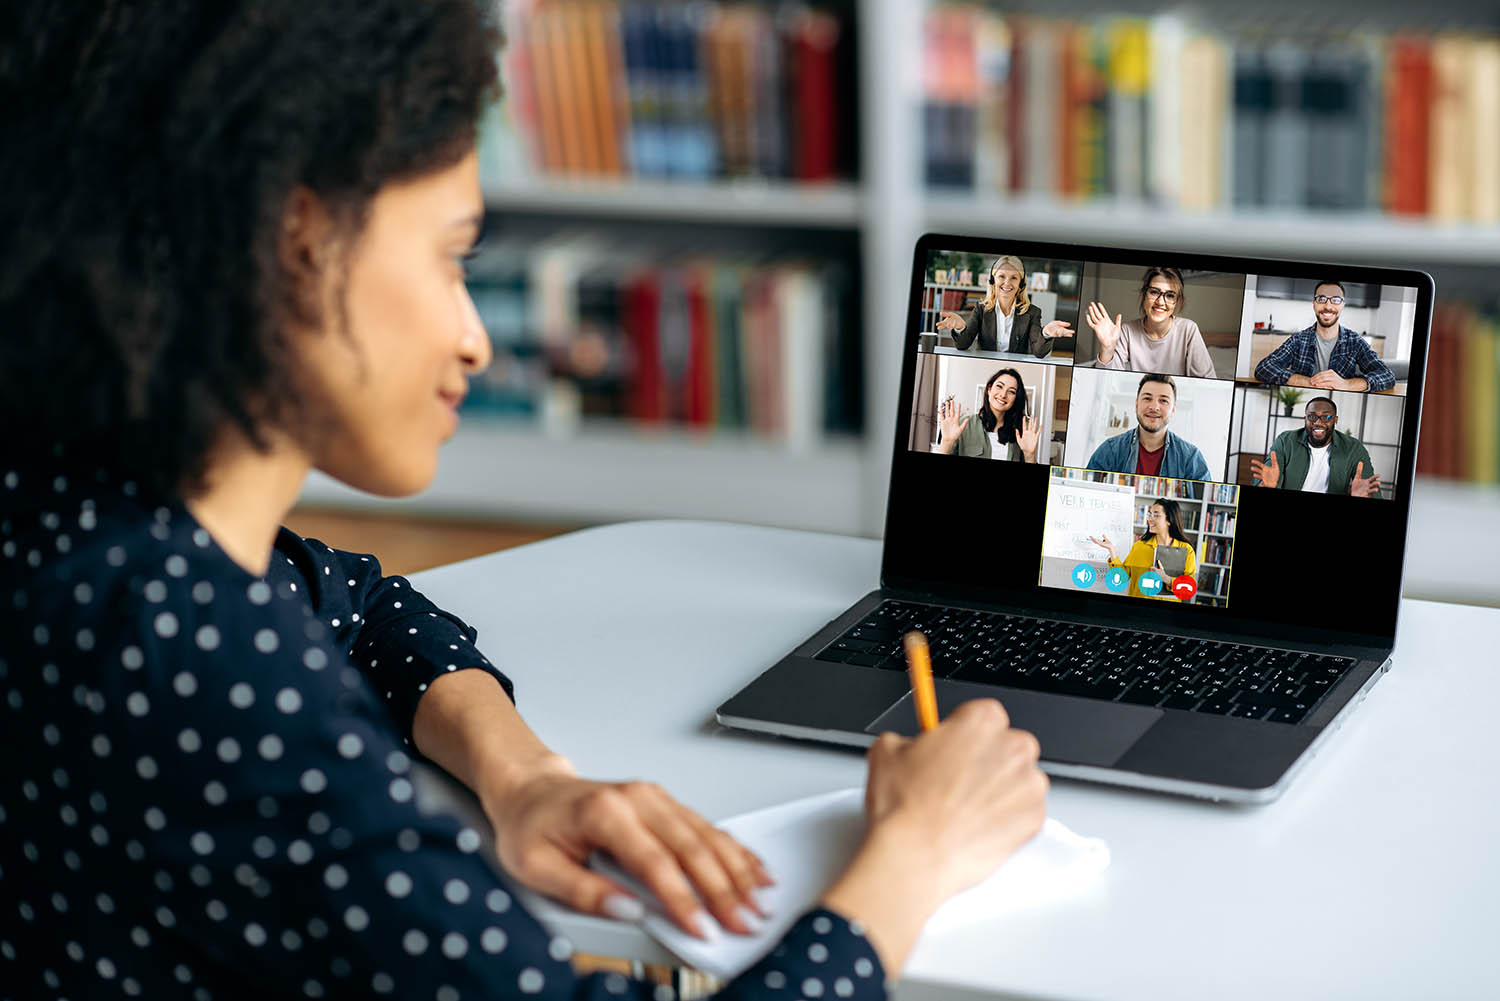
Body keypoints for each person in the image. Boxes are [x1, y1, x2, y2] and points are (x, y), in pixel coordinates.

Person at [0, 3, 1050, 1000]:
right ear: (297, 233)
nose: (477, 337)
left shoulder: (80, 511)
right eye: (453, 257)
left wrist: (525, 776)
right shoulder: (208, 672)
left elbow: (356, 601)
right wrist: (910, 859)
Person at [1252, 281, 1396, 392]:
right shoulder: (1298, 340)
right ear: (1314, 304)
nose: (1328, 306)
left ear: (1342, 305)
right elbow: (1263, 368)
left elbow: (1387, 375)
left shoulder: (1355, 342)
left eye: (1335, 300)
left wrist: (1346, 385)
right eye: (1321, 299)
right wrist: (1309, 382)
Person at [1087, 266, 1216, 377]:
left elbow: (1208, 381)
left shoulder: (1189, 330)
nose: (1160, 302)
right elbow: (1107, 381)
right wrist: (1108, 349)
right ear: (1144, 295)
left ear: (1177, 301)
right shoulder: (1127, 331)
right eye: (1154, 292)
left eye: (1170, 295)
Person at [935, 255, 1072, 357]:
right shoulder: (981, 309)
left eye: (1014, 278)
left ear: (1021, 284)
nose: (1007, 283)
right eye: (1002, 276)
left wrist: (1046, 333)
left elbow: (1039, 351)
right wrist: (960, 328)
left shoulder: (1032, 312)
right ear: (993, 280)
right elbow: (964, 344)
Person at [1085, 374, 1213, 481]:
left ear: (1173, 409)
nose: (1154, 407)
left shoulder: (1191, 458)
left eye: (1163, 401)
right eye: (1147, 398)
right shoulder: (1110, 450)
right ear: (1136, 405)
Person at [1250, 397, 1382, 497]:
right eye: (1312, 417)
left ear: (1335, 420)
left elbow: (1372, 491)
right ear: (1305, 418)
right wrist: (1267, 486)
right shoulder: (1285, 441)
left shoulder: (1354, 448)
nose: (1318, 422)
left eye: (1326, 417)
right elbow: (1266, 478)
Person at [1088, 499, 1199, 601]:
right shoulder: (1139, 546)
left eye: (1156, 515)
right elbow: (1121, 578)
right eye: (1150, 514)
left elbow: (1189, 589)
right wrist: (1111, 550)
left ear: (1169, 520)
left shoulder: (1186, 550)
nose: (1150, 519)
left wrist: (1167, 579)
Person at [934, 367, 1044, 462]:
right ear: (989, 389)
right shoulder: (964, 425)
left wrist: (1030, 456)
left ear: (1016, 399)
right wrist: (946, 443)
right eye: (999, 386)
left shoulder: (1020, 434)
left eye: (1011, 391)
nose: (1003, 395)